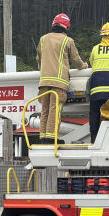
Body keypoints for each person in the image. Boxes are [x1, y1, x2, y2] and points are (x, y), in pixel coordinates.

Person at [35, 13, 87, 144]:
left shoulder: (43, 39)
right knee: (55, 110)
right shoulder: (67, 41)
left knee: (45, 110)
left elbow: (38, 59)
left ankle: (43, 138)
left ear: (53, 24)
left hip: (44, 81)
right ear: (67, 27)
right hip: (59, 83)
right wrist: (84, 65)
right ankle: (52, 139)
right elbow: (76, 60)